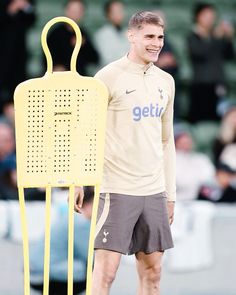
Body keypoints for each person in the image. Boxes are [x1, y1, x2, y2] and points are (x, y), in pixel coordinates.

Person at [74, 11, 176, 295]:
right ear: (131, 36)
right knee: (105, 274)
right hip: (116, 190)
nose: (156, 43)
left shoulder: (166, 81)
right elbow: (86, 132)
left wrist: (171, 194)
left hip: (154, 191)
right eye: (149, 37)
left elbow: (166, 142)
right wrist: (79, 179)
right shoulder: (107, 76)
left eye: (160, 37)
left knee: (153, 274)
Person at [30, 186, 94, 295]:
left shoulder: (70, 216)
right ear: (88, 204)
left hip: (35, 269)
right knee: (88, 269)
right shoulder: (81, 222)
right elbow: (88, 255)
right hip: (46, 272)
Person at [187, 2, 235, 123]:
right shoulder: (192, 36)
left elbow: (229, 55)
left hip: (218, 84)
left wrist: (228, 39)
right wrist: (217, 37)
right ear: (198, 16)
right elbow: (199, 53)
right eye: (206, 15)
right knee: (200, 119)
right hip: (201, 86)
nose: (210, 19)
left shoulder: (216, 36)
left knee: (218, 120)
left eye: (212, 16)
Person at [44, 0, 99, 75]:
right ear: (66, 11)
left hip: (80, 78)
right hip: (60, 78)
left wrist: (83, 45)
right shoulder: (55, 34)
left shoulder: (83, 34)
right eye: (73, 11)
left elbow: (94, 59)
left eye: (78, 11)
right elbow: (46, 60)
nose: (75, 14)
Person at [0, 0, 36, 110]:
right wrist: (11, 9)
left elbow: (32, 19)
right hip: (3, 49)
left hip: (19, 51)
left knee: (19, 85)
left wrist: (25, 6)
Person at [174, 124, 215, 201]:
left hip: (199, 201)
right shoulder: (169, 160)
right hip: (176, 201)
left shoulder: (201, 159)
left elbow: (210, 179)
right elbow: (178, 182)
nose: (185, 145)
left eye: (188, 142)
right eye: (182, 142)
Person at [94, 0, 129, 68]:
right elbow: (107, 60)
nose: (119, 14)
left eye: (120, 11)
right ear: (108, 14)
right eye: (115, 11)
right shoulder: (101, 34)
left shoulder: (128, 33)